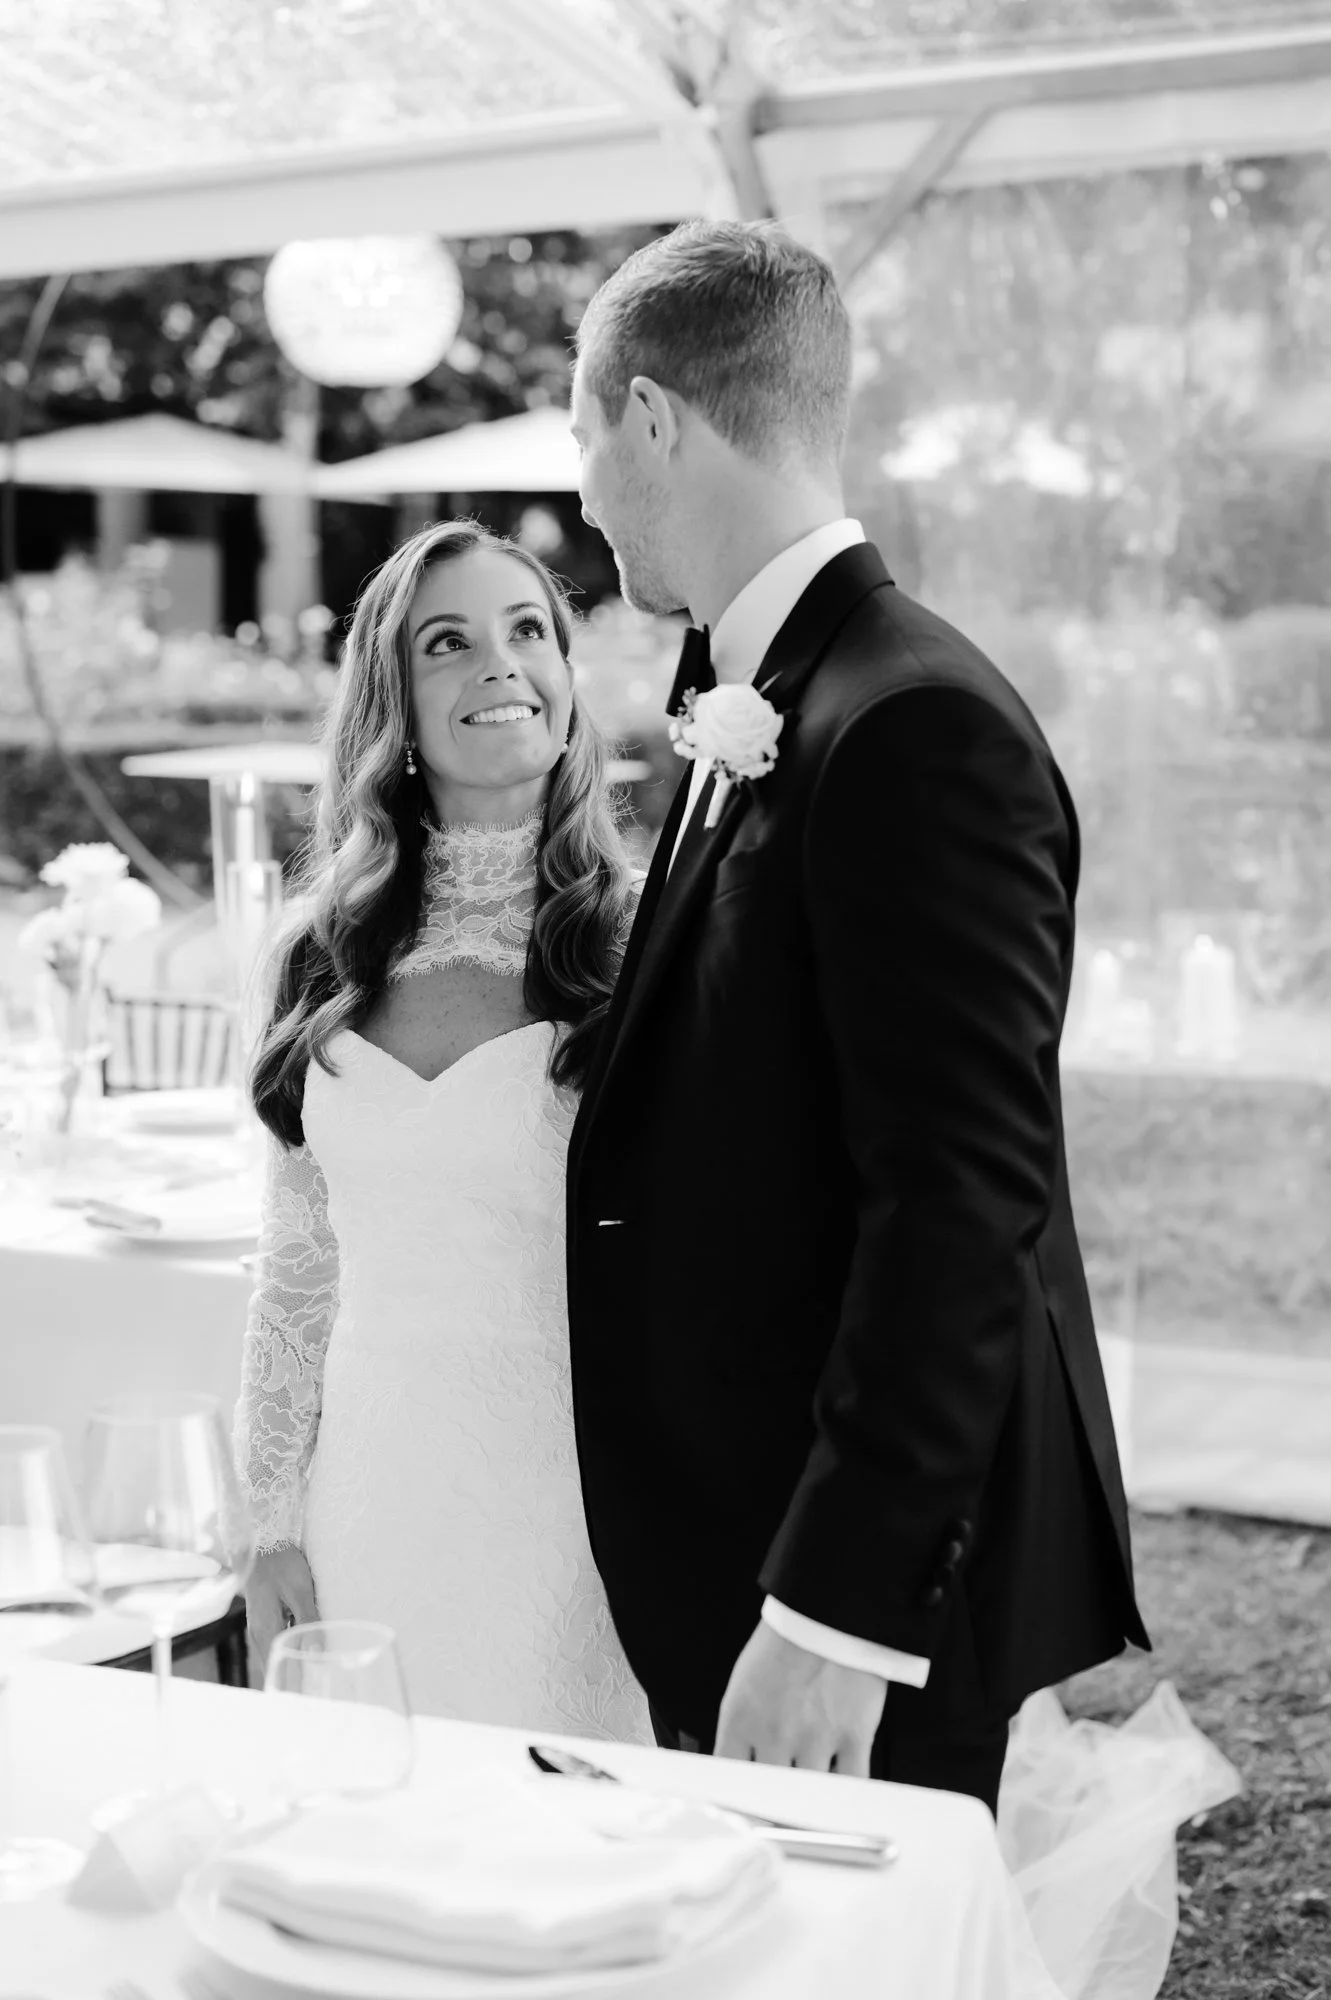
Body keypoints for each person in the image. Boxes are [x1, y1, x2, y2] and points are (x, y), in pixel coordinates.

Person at [565, 219, 1150, 1815]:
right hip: (739, 1538)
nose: (583, 496)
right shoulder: (762, 694)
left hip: (851, 1605)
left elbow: (960, 1199)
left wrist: (833, 1613)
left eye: (581, 442)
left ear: (650, 419)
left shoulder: (910, 726)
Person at [233, 519, 651, 1741]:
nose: (501, 665)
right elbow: (295, 1274)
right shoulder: (319, 952)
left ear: (570, 680)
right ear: (394, 701)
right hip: (370, 1499)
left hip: (574, 1507)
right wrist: (269, 1524)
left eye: (529, 631)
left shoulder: (642, 944)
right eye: (449, 643)